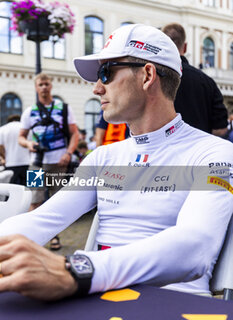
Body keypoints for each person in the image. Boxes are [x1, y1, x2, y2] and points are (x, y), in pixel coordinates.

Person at [0, 23, 232, 301]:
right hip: (96, 296)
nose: (97, 88)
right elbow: (42, 220)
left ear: (147, 75)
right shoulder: (102, 157)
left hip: (173, 307)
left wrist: (77, 270)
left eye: (106, 73)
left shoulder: (215, 153)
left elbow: (195, 249)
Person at [18, 73, 79, 250]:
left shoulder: (63, 108)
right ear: (36, 88)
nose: (44, 87)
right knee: (35, 200)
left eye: (46, 84)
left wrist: (68, 153)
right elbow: (20, 137)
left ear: (51, 86)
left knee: (56, 201)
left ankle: (54, 237)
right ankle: (32, 238)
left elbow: (74, 133)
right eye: (40, 84)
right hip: (36, 163)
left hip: (58, 163)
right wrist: (29, 143)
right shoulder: (29, 112)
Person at [162, 23, 228, 137]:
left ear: (163, 46)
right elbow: (221, 129)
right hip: (201, 150)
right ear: (185, 46)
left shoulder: (153, 78)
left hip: (163, 151)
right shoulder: (207, 82)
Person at [0, 115, 30, 185]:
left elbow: (0, 146)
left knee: (14, 190)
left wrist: (3, 157)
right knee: (33, 189)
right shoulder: (28, 129)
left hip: (11, 163)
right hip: (30, 164)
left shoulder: (2, 129)